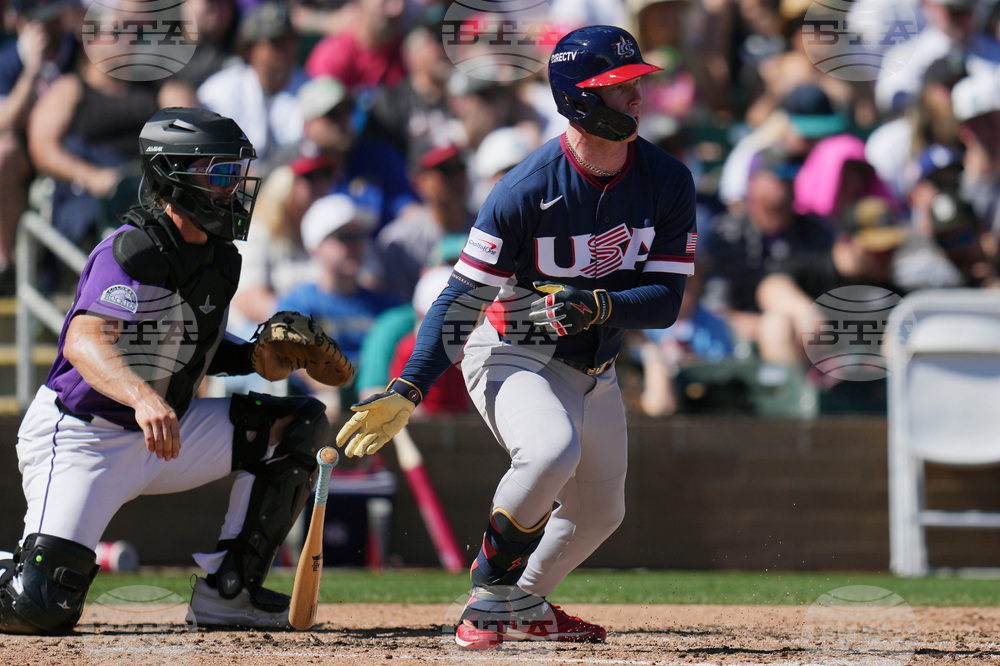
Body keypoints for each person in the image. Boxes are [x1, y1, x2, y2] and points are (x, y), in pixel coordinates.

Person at [336, 26, 696, 649]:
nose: (637, 97)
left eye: (638, 83)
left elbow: (664, 303)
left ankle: (522, 602)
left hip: (596, 365)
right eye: (620, 87)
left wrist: (599, 305)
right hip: (512, 349)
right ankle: (488, 598)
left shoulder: (667, 180)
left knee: (601, 513)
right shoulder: (525, 188)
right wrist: (408, 385)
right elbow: (462, 297)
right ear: (581, 98)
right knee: (551, 450)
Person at [0, 108, 333, 634]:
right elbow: (85, 341)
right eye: (220, 173)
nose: (234, 188)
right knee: (39, 608)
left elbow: (189, 342)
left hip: (165, 432)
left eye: (236, 174)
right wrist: (142, 396)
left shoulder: (220, 258)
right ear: (173, 175)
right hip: (86, 437)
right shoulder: (131, 251)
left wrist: (250, 357)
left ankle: (230, 593)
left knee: (300, 424)